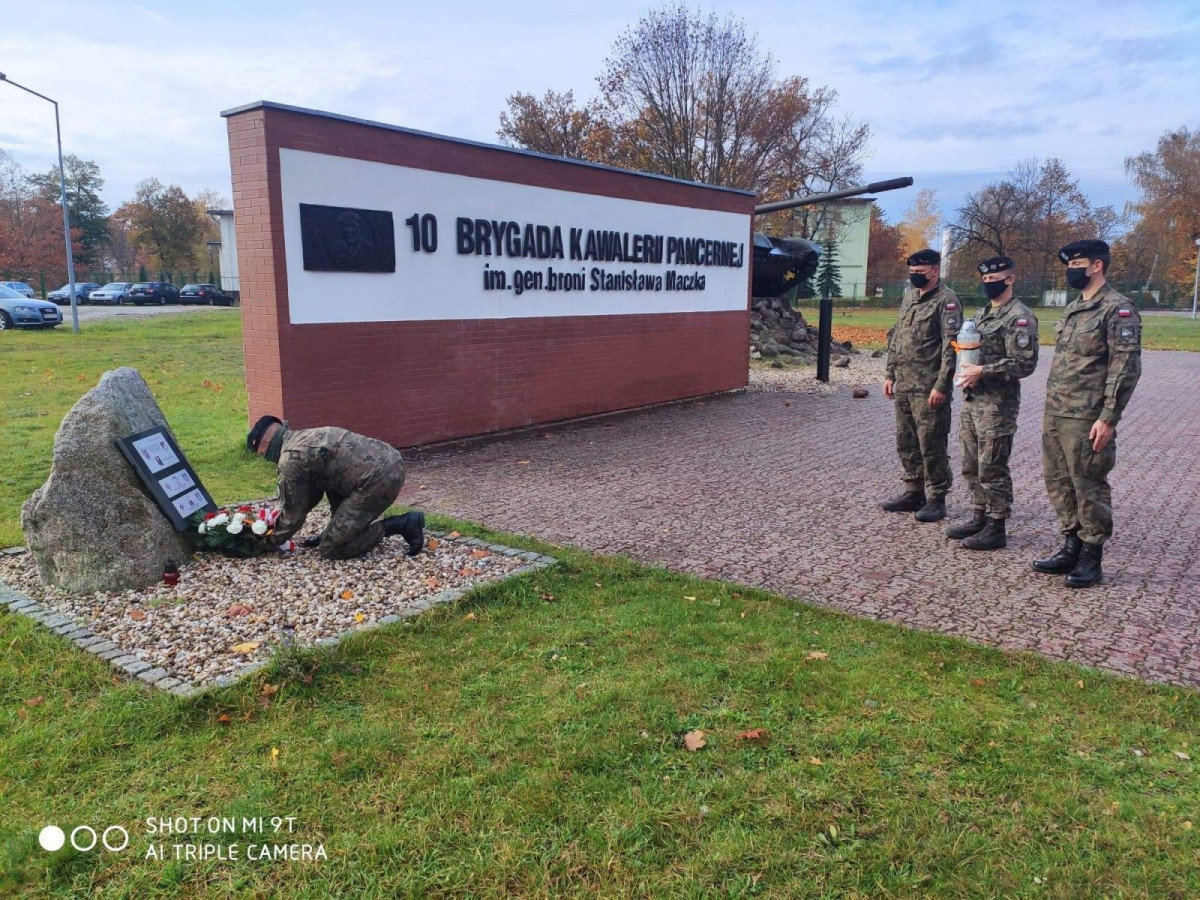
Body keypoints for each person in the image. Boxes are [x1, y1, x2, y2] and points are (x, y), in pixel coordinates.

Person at [1033, 240, 1142, 587]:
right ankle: (1071, 546)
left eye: (1077, 263)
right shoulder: (1074, 307)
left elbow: (1125, 368)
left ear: (1097, 265)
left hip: (1087, 416)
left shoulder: (1117, 309)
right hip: (1058, 412)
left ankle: (1091, 557)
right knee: (1059, 481)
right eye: (1070, 264)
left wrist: (1109, 417)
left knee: (1088, 484)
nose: (1071, 270)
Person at [946, 256, 1039, 550]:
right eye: (985, 280)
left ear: (1010, 279)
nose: (989, 284)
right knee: (971, 464)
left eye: (994, 279)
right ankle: (979, 515)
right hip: (973, 401)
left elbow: (1024, 364)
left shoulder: (1019, 317)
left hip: (998, 406)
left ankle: (996, 525)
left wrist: (982, 371)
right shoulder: (982, 315)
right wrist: (967, 369)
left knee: (992, 466)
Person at [246, 415, 425, 560]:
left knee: (331, 549)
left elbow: (294, 514)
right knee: (330, 481)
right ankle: (335, 531)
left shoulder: (289, 460)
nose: (262, 456)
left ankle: (401, 524)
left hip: (378, 479)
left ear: (268, 441)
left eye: (260, 452)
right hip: (389, 459)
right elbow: (312, 493)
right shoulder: (303, 437)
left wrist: (267, 541)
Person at [882, 248, 960, 522]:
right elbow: (897, 337)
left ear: (935, 271)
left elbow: (951, 348)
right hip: (904, 384)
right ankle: (914, 491)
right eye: (912, 272)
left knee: (932, 443)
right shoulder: (909, 297)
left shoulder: (947, 301)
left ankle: (937, 497)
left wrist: (942, 385)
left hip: (929, 388)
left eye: (920, 272)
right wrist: (890, 373)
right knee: (906, 440)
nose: (915, 276)